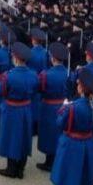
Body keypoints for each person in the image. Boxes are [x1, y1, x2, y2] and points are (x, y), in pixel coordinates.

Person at [51, 71, 93, 185]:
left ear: (81, 88)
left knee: (74, 177)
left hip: (74, 143)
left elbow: (60, 124)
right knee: (83, 176)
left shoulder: (74, 107)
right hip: (88, 142)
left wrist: (63, 109)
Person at [0, 42, 39, 179]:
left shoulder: (8, 75)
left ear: (15, 58)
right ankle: (21, 168)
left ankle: (11, 168)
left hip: (11, 108)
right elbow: (35, 92)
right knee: (23, 137)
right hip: (26, 108)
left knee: (10, 137)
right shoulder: (34, 75)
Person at [36, 42, 70, 172]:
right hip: (63, 104)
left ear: (53, 58)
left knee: (48, 134)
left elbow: (39, 89)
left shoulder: (46, 74)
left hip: (49, 106)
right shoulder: (69, 73)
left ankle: (49, 161)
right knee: (58, 133)